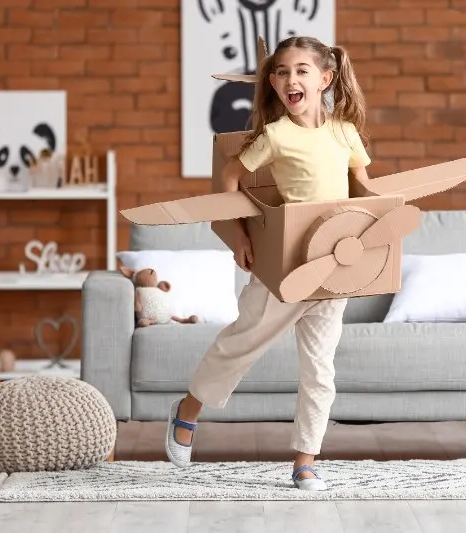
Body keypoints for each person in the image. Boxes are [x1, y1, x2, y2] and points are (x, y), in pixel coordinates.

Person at [165, 35, 372, 491]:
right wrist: (238, 233)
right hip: (283, 268)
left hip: (331, 269)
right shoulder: (276, 135)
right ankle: (187, 411)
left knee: (320, 369)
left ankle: (305, 460)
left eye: (300, 70)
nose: (289, 79)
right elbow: (231, 176)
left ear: (325, 78)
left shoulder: (344, 133)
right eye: (280, 72)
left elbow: (362, 188)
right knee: (242, 344)